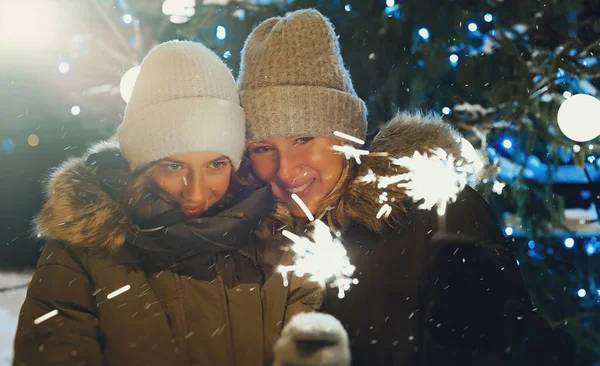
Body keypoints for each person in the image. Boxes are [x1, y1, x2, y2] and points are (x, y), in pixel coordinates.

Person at [238, 9, 570, 366]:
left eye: (303, 138)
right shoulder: (244, 243)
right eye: (262, 148)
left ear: (344, 134)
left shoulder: (435, 213)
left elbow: (518, 348)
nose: (286, 170)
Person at [13, 40, 321, 366]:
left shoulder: (278, 239)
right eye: (173, 166)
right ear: (141, 166)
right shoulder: (85, 253)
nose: (196, 193)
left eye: (216, 164)